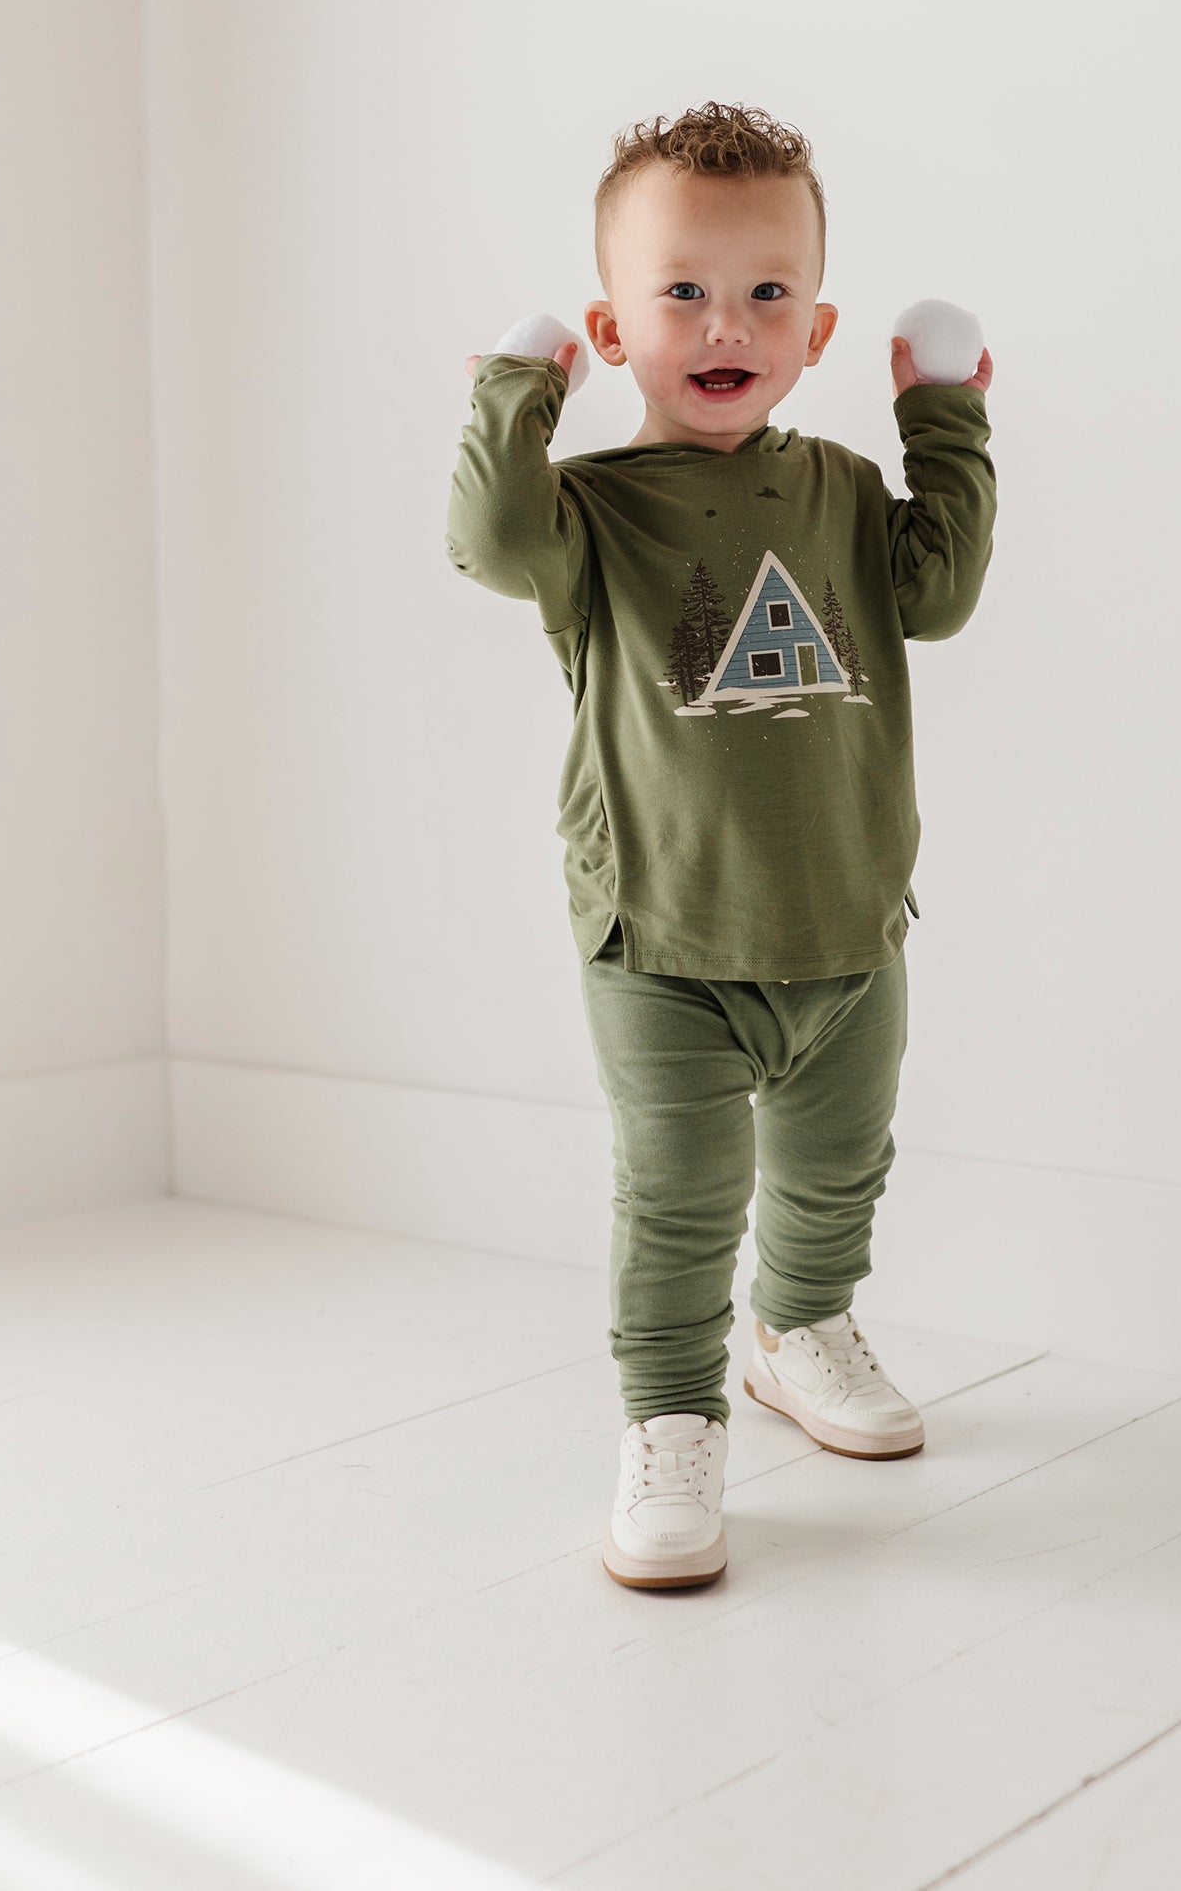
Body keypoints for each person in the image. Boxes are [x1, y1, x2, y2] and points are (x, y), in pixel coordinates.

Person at [446, 102, 996, 1589]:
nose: (724, 324)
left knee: (838, 1167)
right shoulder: (588, 513)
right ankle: (673, 1416)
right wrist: (514, 387)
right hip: (662, 929)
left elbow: (939, 593)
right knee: (680, 1197)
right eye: (680, 290)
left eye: (766, 291)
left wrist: (945, 418)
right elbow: (488, 539)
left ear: (817, 330)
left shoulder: (845, 490)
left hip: (848, 916)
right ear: (611, 330)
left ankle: (799, 1328)